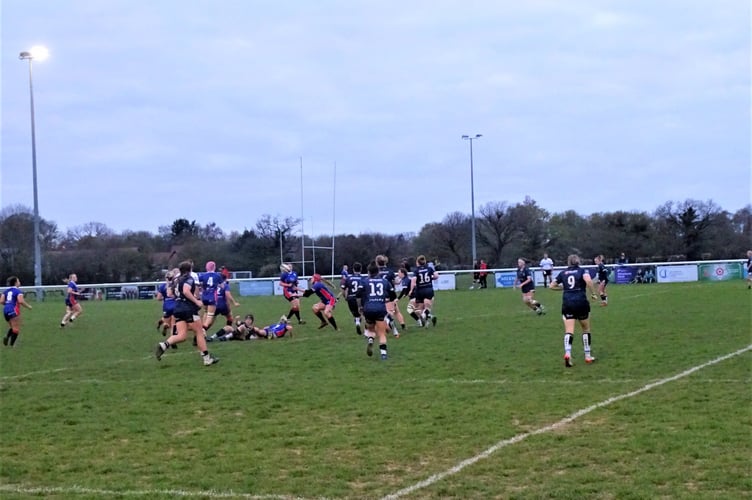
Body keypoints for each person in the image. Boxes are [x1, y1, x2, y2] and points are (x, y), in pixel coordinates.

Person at [155, 260, 219, 366]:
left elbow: (169, 293)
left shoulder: (176, 280)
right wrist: (196, 301)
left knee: (182, 335)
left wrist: (178, 297)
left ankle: (164, 345)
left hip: (178, 309)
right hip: (188, 308)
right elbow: (186, 291)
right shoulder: (189, 278)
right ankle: (207, 358)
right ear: (189, 270)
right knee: (199, 332)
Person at [550, 254, 598, 367]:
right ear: (578, 261)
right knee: (586, 329)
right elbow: (589, 281)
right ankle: (587, 356)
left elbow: (551, 286)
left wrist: (563, 288)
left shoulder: (563, 273)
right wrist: (593, 294)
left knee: (569, 331)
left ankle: (567, 354)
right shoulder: (582, 271)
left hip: (567, 303)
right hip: (581, 302)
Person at [359, 261, 393, 360]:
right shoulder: (385, 281)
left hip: (368, 308)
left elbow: (358, 295)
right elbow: (392, 295)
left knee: (370, 328)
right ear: (378, 272)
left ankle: (370, 340)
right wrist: (386, 299)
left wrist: (360, 307)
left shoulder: (364, 281)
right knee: (382, 333)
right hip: (380, 308)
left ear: (368, 272)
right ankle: (383, 354)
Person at [376, 254, 403, 336]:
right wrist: (401, 278)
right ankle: (393, 329)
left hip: (378, 295)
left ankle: (390, 327)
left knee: (384, 313)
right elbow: (396, 282)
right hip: (389, 294)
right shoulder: (390, 271)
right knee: (388, 313)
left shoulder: (375, 272)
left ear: (377, 262)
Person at [2, 276, 33, 347]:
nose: (20, 282)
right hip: (13, 310)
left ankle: (7, 337)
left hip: (6, 310)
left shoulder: (6, 291)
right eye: (18, 281)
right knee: (16, 329)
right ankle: (12, 345)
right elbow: (21, 301)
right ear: (16, 283)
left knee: (12, 326)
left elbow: (1, 301)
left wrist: (8, 304)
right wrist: (29, 306)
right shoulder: (18, 291)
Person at [411, 254, 438, 327]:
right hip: (428, 289)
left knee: (419, 308)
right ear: (424, 261)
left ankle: (425, 321)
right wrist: (431, 278)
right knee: (427, 307)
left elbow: (413, 281)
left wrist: (411, 290)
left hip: (419, 290)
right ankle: (428, 317)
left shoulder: (416, 270)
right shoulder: (429, 268)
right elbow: (436, 276)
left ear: (418, 262)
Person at [199, 260, 223, 330]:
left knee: (205, 312)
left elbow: (197, 283)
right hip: (212, 296)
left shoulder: (203, 276)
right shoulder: (217, 276)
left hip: (204, 296)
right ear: (214, 267)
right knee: (210, 315)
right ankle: (203, 329)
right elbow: (222, 286)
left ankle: (202, 329)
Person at [343, 262, 365, 335]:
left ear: (353, 269)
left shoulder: (348, 278)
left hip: (351, 298)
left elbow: (343, 288)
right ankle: (367, 328)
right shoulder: (363, 279)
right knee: (363, 313)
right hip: (360, 299)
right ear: (361, 269)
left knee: (356, 314)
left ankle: (358, 323)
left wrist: (345, 297)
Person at [155, 268, 178, 337]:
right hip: (175, 305)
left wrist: (165, 298)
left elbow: (158, 298)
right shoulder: (175, 285)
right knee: (173, 323)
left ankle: (165, 325)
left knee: (167, 322)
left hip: (166, 306)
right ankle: (173, 338)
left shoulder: (162, 286)